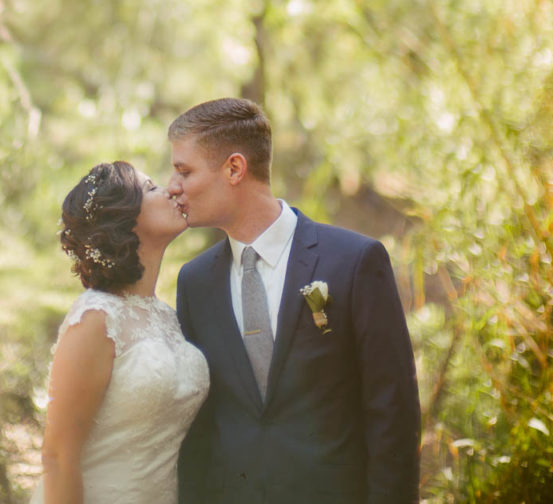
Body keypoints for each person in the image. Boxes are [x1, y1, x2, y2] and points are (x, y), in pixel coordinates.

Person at [168, 97, 421, 504]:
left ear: (234, 168)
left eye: (184, 171)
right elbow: (200, 425)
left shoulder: (354, 262)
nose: (173, 186)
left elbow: (393, 412)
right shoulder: (194, 282)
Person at [34, 160, 209, 504]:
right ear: (123, 218)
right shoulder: (96, 318)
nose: (172, 190)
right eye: (152, 189)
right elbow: (57, 457)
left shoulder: (168, 318)